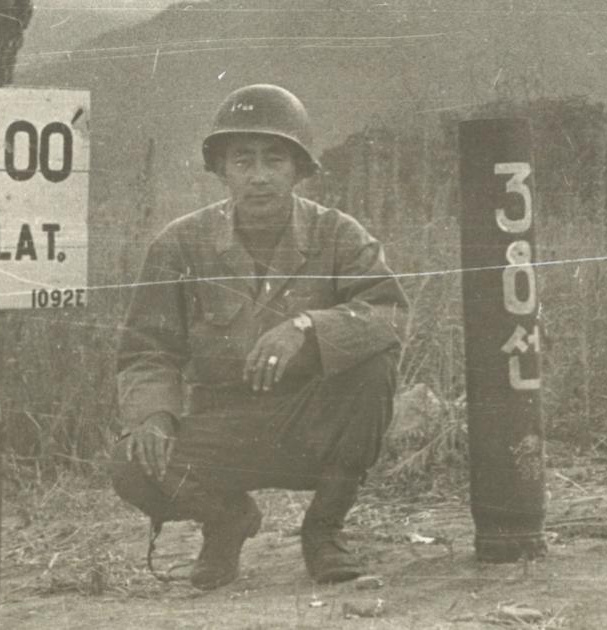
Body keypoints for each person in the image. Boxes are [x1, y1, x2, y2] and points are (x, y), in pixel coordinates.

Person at [111, 84, 408, 590]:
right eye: (243, 160)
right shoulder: (179, 244)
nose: (260, 176)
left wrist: (308, 327)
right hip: (224, 424)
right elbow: (147, 350)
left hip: (312, 420)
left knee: (374, 362)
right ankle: (226, 523)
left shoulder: (339, 234)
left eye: (275, 159)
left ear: (299, 169)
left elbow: (389, 313)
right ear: (222, 169)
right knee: (131, 463)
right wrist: (156, 415)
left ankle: (324, 530)